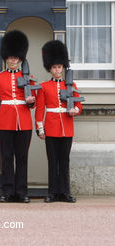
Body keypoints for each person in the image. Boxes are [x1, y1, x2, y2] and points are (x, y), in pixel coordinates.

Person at [0, 30, 38, 203]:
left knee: (22, 158)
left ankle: (22, 192)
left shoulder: (29, 78)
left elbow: (34, 103)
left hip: (24, 123)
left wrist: (31, 101)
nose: (12, 60)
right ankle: (8, 191)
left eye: (15, 57)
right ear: (6, 58)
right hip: (5, 122)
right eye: (10, 57)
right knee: (7, 158)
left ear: (20, 58)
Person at [35, 40, 83, 203]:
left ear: (63, 68)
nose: (57, 70)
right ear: (50, 69)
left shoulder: (71, 84)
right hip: (51, 127)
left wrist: (75, 110)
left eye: (59, 67)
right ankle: (52, 192)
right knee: (52, 161)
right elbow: (40, 109)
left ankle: (65, 192)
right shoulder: (44, 86)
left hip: (67, 127)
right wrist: (40, 128)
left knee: (64, 160)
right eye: (54, 67)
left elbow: (78, 104)